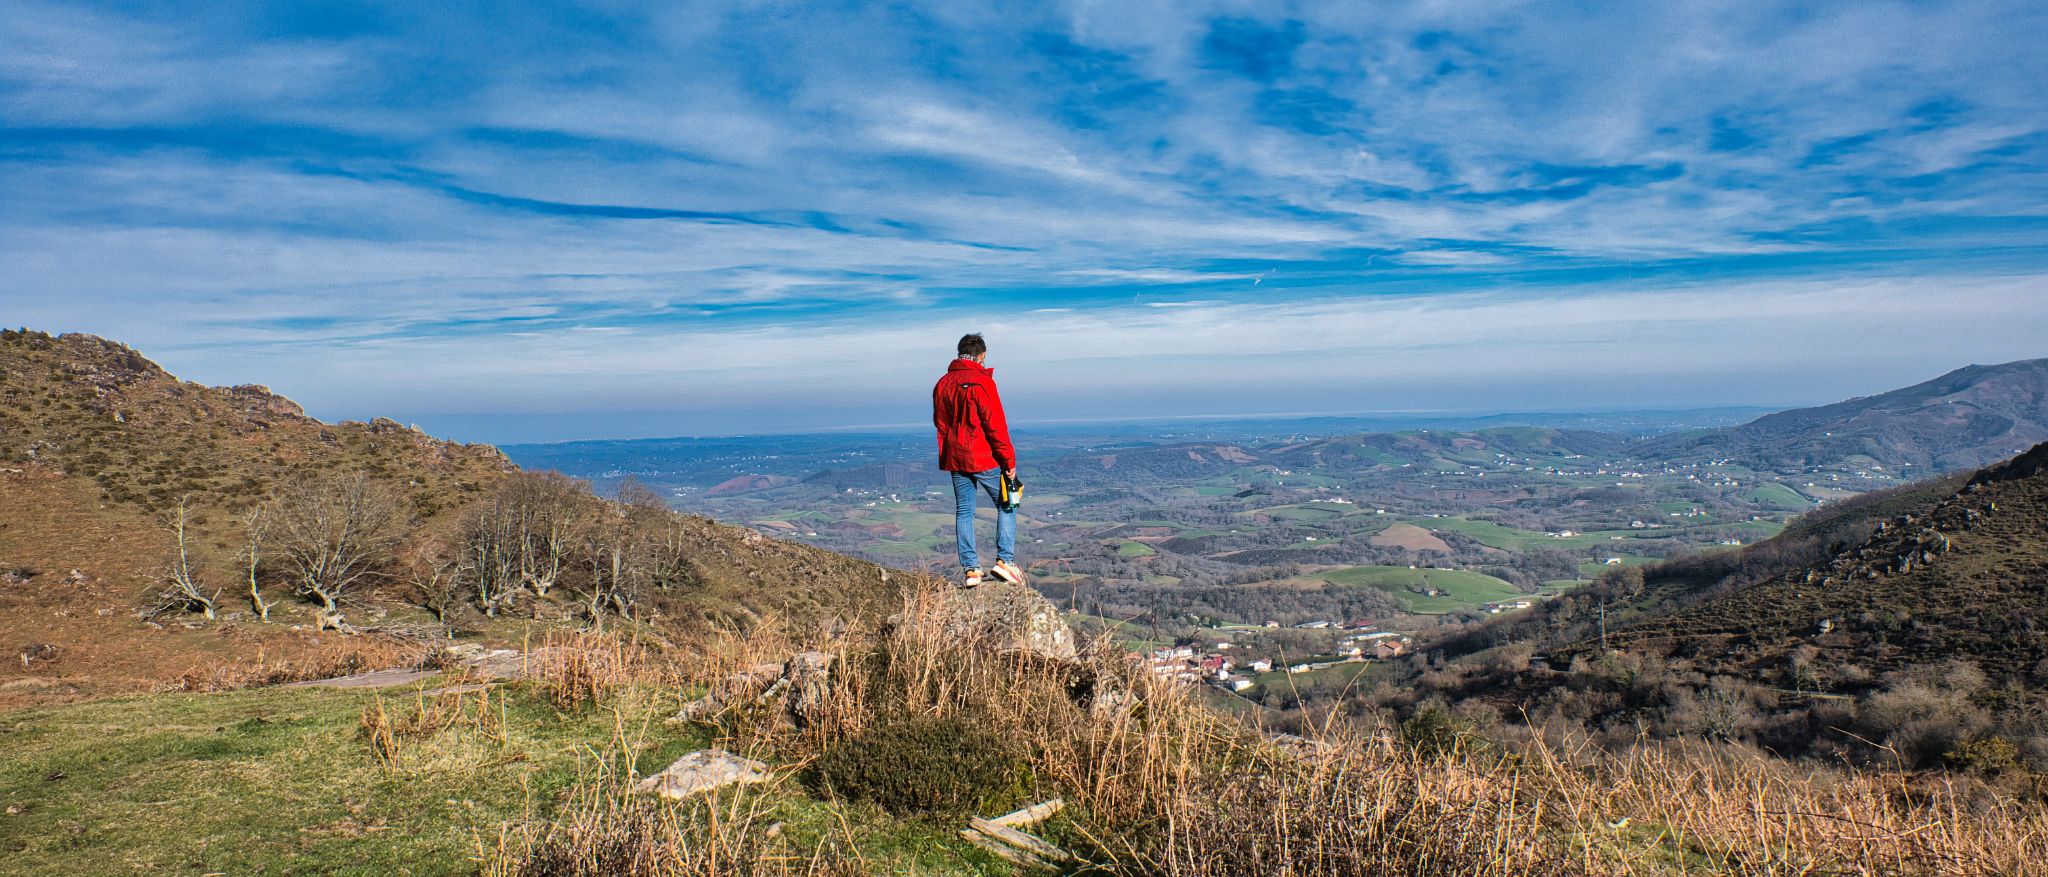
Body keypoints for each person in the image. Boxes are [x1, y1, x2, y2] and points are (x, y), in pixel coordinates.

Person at [932, 333, 1025, 588]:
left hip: (955, 457)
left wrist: (951, 448)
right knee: (1008, 503)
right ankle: (1005, 561)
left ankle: (972, 570)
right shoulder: (983, 383)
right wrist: (1008, 461)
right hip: (983, 457)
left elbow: (941, 423)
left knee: (964, 511)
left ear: (960, 353)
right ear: (981, 355)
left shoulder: (943, 383)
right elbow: (995, 426)